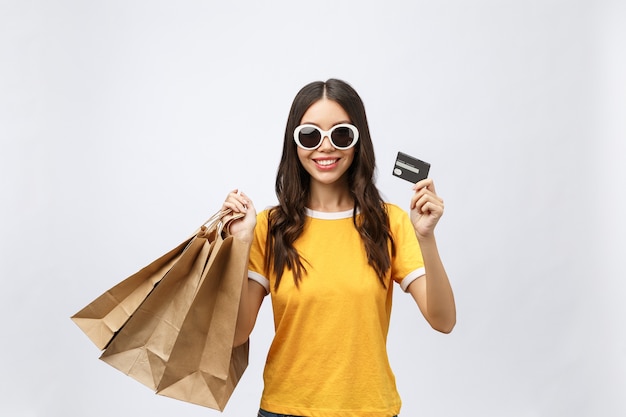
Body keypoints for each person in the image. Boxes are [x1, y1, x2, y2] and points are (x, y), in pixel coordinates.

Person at [222, 78, 456, 417]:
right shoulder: (268, 227)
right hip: (286, 410)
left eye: (342, 134)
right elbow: (235, 334)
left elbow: (444, 320)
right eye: (311, 135)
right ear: (295, 144)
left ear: (359, 141)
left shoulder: (389, 223)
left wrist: (426, 238)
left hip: (369, 410)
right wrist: (241, 242)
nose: (326, 147)